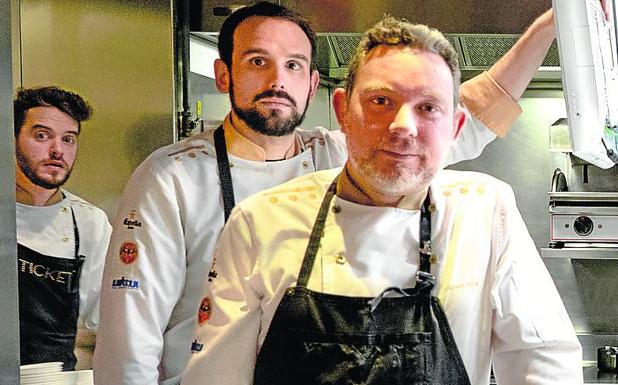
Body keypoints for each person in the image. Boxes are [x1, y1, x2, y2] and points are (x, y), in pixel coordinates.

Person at [94, 2, 559, 384]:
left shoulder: (340, 150)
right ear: (223, 75)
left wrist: (554, 24)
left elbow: (466, 117)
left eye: (293, 65)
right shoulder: (172, 178)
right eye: (258, 61)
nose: (277, 80)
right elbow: (129, 339)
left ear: (314, 83)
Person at [14, 86, 112, 370]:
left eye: (68, 139)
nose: (57, 150)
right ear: (12, 138)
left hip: (56, 375)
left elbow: (104, 318)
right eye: (42, 136)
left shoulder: (88, 222)